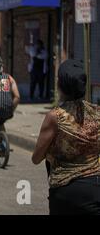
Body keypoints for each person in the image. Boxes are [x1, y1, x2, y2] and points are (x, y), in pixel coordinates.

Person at [32, 60, 100, 215]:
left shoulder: (55, 117)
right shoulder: (97, 113)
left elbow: (36, 158)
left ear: (60, 86)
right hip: (95, 189)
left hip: (65, 192)